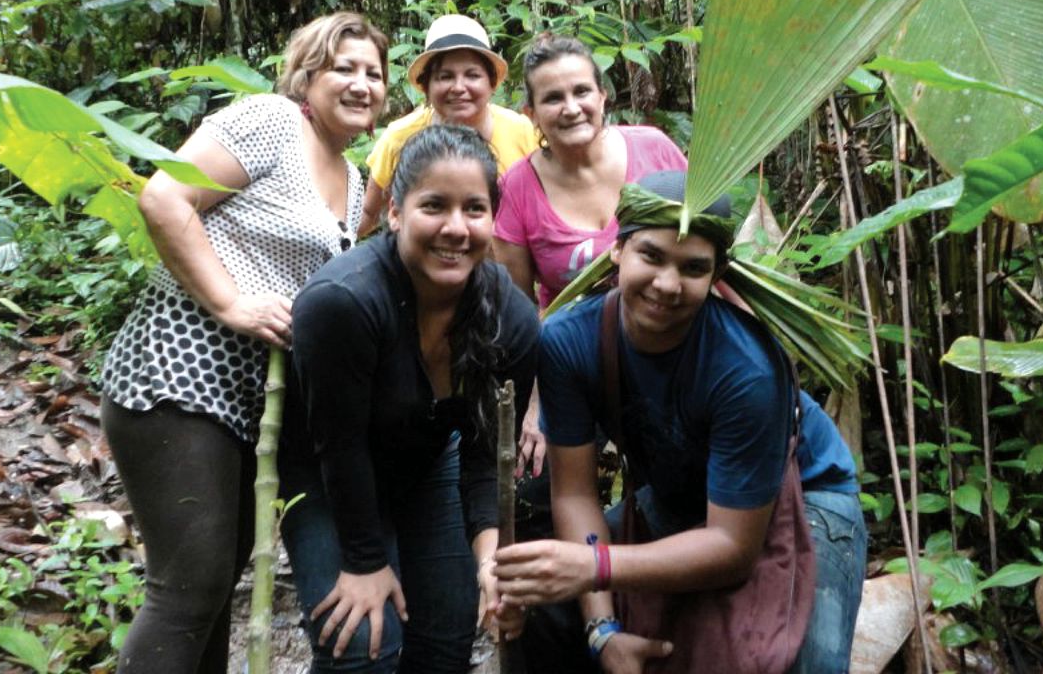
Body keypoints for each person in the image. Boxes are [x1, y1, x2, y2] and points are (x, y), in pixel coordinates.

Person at [100, 12, 388, 673]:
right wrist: (230, 302)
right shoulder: (268, 122)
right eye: (343, 67)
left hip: (245, 402)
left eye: (372, 73)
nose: (360, 83)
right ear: (306, 76)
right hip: (178, 371)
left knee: (211, 586)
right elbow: (165, 200)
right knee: (187, 588)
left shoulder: (349, 181)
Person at [493, 171, 866, 674]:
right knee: (552, 613)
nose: (667, 285)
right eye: (651, 255)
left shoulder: (745, 369)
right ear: (617, 251)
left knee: (805, 662)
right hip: (679, 492)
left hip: (803, 495)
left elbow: (732, 547)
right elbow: (575, 494)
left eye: (692, 268)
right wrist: (602, 630)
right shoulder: (568, 341)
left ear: (716, 277)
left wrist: (595, 566)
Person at [279, 124, 541, 673]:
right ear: (395, 211)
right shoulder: (343, 303)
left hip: (426, 465)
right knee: (363, 645)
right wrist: (366, 561)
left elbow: (483, 454)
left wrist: (492, 563)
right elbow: (338, 446)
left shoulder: (510, 316)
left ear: (493, 219)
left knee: (447, 639)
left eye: (474, 209)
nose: (455, 228)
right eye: (433, 206)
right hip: (328, 476)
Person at [493, 36, 686, 478]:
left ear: (602, 96)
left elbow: (706, 252)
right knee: (534, 486)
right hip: (577, 359)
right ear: (531, 114)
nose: (571, 107)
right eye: (552, 98)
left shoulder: (654, 149)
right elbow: (521, 313)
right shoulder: (518, 189)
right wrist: (534, 406)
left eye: (581, 92)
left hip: (673, 341)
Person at [357, 14, 536, 238]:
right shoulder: (400, 137)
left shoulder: (523, 131)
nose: (458, 87)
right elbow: (368, 213)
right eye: (445, 77)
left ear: (491, 83)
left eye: (472, 75)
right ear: (426, 86)